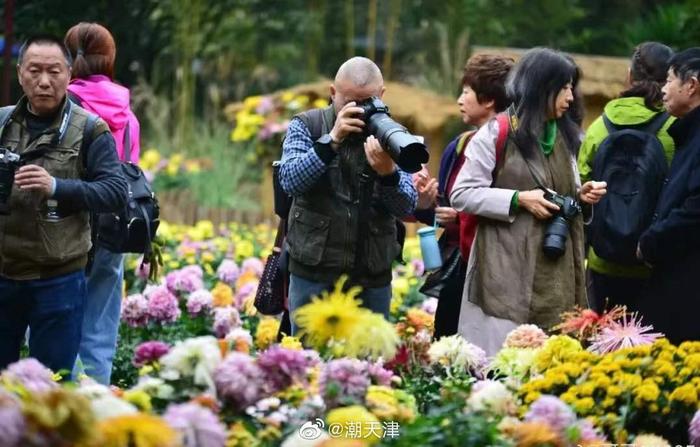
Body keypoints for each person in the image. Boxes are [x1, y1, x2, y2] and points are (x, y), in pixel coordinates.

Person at [450, 48, 607, 355]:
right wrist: (518, 199)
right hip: (505, 267)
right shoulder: (497, 133)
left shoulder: (567, 136)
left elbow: (566, 190)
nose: (570, 97)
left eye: (570, 88)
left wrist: (581, 196)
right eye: (563, 88)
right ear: (540, 87)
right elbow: (462, 193)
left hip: (556, 270)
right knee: (503, 362)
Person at [0, 35, 127, 374]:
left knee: (53, 388)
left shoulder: (89, 129)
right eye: (35, 71)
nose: (44, 81)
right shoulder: (1, 123)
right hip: (4, 273)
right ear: (20, 73)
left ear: (69, 75)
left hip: (58, 279)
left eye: (54, 71)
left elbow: (115, 191)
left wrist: (56, 186)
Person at [279, 56, 417, 335]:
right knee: (308, 363)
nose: (359, 110)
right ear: (332, 93)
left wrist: (388, 173)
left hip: (371, 276)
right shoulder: (308, 125)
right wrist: (331, 140)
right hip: (313, 272)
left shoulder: (394, 136)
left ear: (381, 95)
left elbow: (406, 206)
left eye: (367, 101)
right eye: (349, 101)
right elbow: (290, 181)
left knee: (368, 365)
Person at [413, 54, 514, 339]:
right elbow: (440, 210)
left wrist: (465, 215)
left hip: (500, 267)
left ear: (489, 99)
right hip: (459, 268)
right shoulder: (458, 148)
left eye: (466, 91)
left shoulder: (516, 151)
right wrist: (427, 203)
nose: (459, 99)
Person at [64, 22, 141, 384]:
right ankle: (96, 399)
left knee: (52, 314)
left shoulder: (61, 107)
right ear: (110, 59)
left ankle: (66, 394)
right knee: (101, 317)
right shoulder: (128, 115)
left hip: (64, 222)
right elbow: (131, 172)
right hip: (113, 224)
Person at [578, 42, 675, 313]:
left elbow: (581, 185)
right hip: (655, 260)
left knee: (603, 345)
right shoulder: (675, 128)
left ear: (629, 76)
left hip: (604, 260)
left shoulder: (599, 128)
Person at [637, 48, 700, 344]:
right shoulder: (689, 133)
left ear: (692, 85)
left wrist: (652, 242)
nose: (663, 89)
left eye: (670, 79)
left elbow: (695, 209)